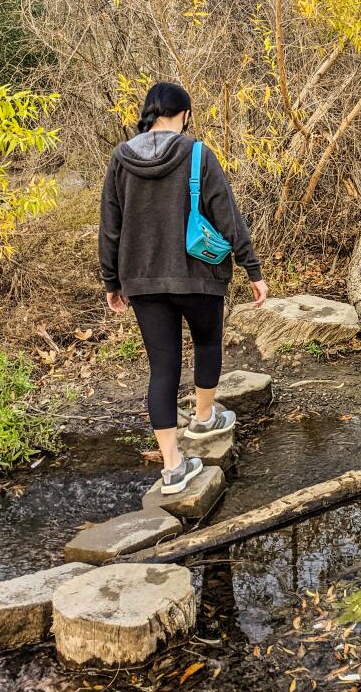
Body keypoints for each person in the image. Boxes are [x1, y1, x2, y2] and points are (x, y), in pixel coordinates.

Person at [99, 82, 267, 494]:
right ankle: (205, 418)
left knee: (162, 367)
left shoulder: (121, 158)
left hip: (142, 279)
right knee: (208, 344)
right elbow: (227, 214)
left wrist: (111, 280)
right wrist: (252, 267)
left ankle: (173, 468)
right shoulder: (197, 153)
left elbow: (110, 225)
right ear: (185, 115)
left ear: (150, 112)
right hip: (198, 275)